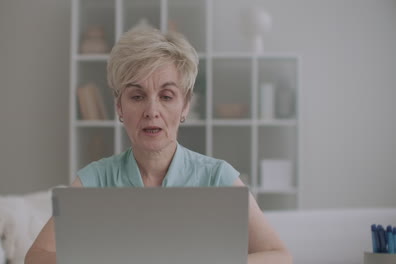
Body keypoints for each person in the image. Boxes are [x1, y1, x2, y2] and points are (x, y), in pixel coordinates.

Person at [25, 27, 292, 264]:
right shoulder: (94, 179)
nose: (152, 111)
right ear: (119, 106)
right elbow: (36, 257)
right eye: (137, 96)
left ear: (185, 105)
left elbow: (280, 256)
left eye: (166, 96)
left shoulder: (218, 176)